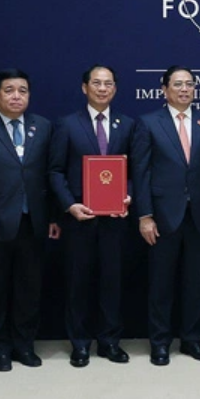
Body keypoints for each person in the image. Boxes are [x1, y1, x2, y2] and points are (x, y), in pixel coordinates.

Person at [0, 69, 61, 371]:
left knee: (29, 289)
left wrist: (54, 217)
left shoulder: (43, 127)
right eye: (9, 90)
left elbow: (52, 174)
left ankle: (24, 345)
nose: (16, 96)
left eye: (22, 90)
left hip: (34, 221)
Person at [132, 66, 200, 366]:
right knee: (161, 283)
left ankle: (192, 340)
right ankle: (160, 342)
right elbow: (141, 172)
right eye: (178, 84)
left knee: (196, 283)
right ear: (164, 89)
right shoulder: (148, 123)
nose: (184, 89)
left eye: (189, 84)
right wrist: (144, 215)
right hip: (162, 217)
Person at [52, 64, 136, 367]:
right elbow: (56, 171)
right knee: (78, 283)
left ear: (115, 89)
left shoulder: (127, 125)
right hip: (80, 218)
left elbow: (135, 170)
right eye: (97, 83)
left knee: (112, 282)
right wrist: (69, 205)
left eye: (108, 83)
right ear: (84, 88)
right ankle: (80, 343)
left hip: (114, 220)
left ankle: (110, 341)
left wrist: (128, 194)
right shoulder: (67, 124)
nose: (103, 88)